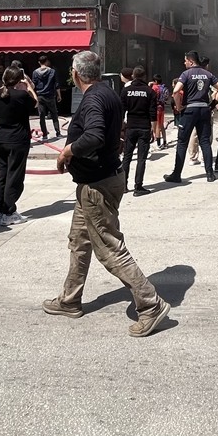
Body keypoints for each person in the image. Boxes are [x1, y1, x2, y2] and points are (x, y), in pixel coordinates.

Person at [42, 50, 170, 337]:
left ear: (76, 74)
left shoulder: (95, 98)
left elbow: (95, 135)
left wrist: (67, 151)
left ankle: (151, 304)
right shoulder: (109, 92)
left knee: (109, 249)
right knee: (79, 241)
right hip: (95, 181)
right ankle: (70, 300)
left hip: (97, 186)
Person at [0, 66, 37, 226]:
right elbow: (36, 104)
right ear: (18, 79)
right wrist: (28, 86)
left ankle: (0, 210)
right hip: (17, 139)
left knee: (1, 174)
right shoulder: (22, 95)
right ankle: (9, 210)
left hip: (0, 138)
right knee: (14, 175)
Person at [164, 51, 218, 184]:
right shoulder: (208, 74)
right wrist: (213, 104)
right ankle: (210, 174)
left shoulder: (186, 74)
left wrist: (179, 106)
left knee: (182, 142)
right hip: (204, 109)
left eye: (185, 61)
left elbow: (176, 91)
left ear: (190, 61)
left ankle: (176, 174)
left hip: (190, 110)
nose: (184, 63)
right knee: (205, 141)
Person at [121, 66, 156, 196]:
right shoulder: (149, 92)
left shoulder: (126, 91)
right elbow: (153, 113)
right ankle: (138, 187)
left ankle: (123, 185)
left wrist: (120, 128)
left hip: (130, 127)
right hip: (144, 127)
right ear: (144, 77)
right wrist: (154, 130)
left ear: (133, 76)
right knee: (141, 159)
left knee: (127, 157)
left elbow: (121, 110)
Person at [31, 55, 62, 141]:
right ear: (46, 62)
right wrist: (59, 95)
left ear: (39, 62)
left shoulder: (35, 72)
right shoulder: (52, 71)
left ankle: (44, 135)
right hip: (50, 95)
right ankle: (58, 132)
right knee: (54, 114)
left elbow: (33, 85)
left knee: (41, 116)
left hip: (40, 96)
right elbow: (56, 84)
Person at [149, 76, 167, 149]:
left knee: (157, 126)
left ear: (155, 81)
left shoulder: (154, 87)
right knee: (161, 124)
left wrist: (149, 86)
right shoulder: (163, 87)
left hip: (155, 108)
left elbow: (150, 96)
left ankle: (158, 144)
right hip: (162, 107)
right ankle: (165, 141)